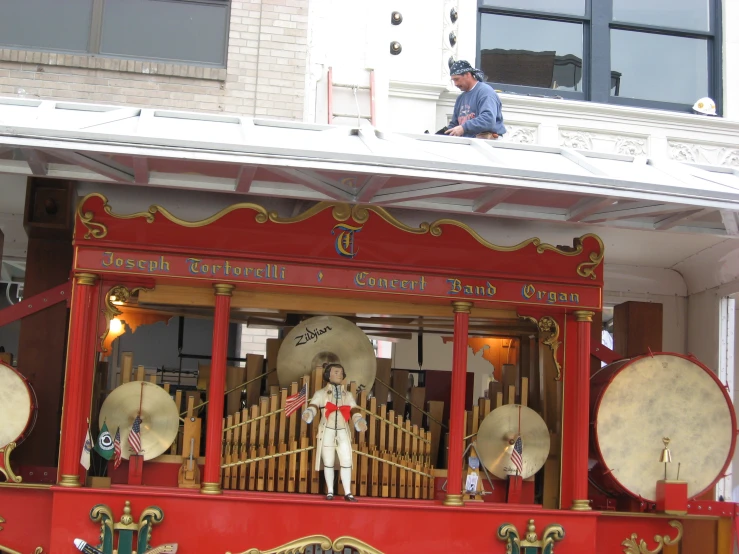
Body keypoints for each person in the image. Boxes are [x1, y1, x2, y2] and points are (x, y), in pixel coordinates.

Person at [302, 361, 368, 502]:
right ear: (328, 375)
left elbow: (354, 410)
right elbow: (313, 405)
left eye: (341, 372)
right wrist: (309, 413)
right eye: (336, 372)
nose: (339, 375)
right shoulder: (321, 394)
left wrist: (359, 421)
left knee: (346, 460)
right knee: (328, 460)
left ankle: (348, 492)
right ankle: (330, 491)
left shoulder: (348, 395)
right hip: (327, 430)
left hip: (343, 430)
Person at [445, 60, 506, 139]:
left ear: (467, 74)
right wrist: (442, 135)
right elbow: (454, 124)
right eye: (453, 80)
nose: (455, 84)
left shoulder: (485, 92)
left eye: (457, 79)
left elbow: (488, 119)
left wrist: (463, 128)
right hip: (468, 145)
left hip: (487, 144)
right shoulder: (460, 98)